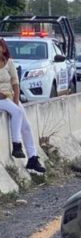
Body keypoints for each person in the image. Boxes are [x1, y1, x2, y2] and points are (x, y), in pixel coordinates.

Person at [0, 39, 46, 173]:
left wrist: (16, 98)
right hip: (1, 98)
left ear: (4, 48)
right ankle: (16, 145)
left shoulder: (9, 62)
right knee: (17, 112)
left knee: (26, 126)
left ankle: (32, 159)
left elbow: (15, 82)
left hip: (9, 96)